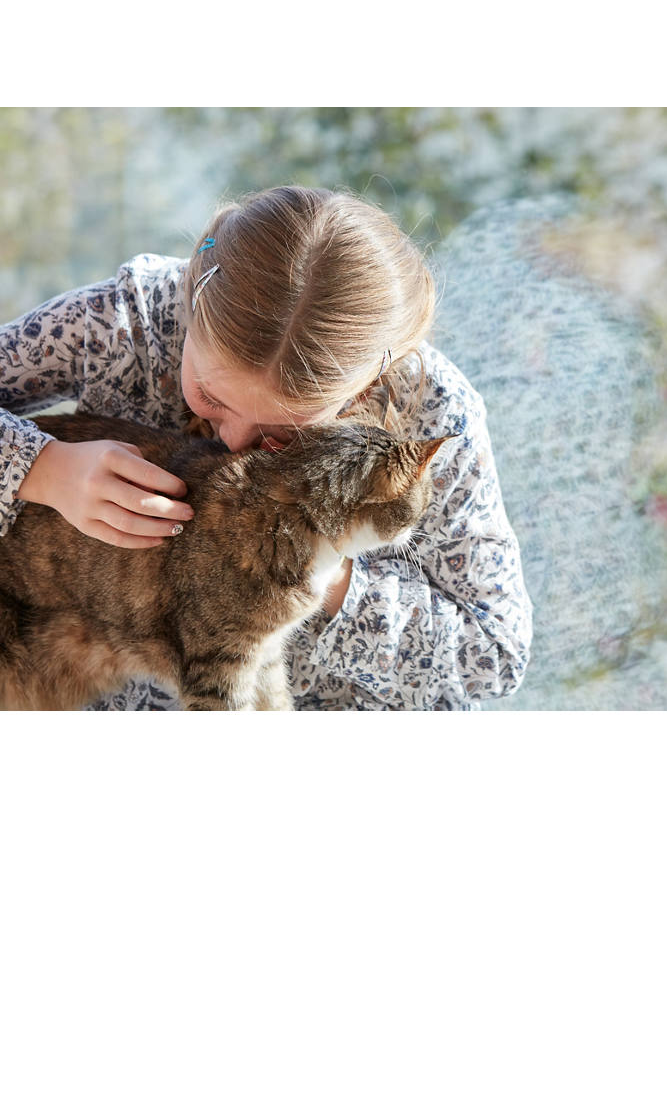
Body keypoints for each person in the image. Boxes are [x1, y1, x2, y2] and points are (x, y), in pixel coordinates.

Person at [0, 184, 533, 710]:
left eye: (283, 434)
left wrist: (322, 569)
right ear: (190, 304)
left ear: (365, 390)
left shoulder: (436, 418)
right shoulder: (123, 321)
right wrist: (41, 468)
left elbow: (495, 654)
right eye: (208, 395)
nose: (233, 441)